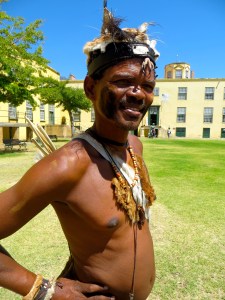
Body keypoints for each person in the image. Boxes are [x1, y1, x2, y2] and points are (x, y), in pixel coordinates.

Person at [0, 2, 160, 299]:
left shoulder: (134, 147)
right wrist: (42, 290)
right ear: (90, 88)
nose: (138, 94)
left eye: (147, 86)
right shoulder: (68, 166)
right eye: (123, 82)